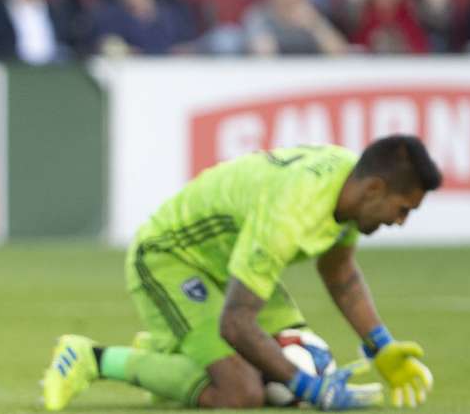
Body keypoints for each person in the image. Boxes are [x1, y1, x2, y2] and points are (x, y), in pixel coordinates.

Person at [43, 135, 440, 411]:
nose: (401, 221)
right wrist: (310, 389)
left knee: (291, 363)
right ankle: (93, 358)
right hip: (170, 256)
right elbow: (236, 323)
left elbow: (339, 271)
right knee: (243, 391)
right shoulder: (288, 214)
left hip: (232, 260)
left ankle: (170, 356)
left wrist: (381, 345)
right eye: (403, 209)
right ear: (374, 189)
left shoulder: (349, 184)